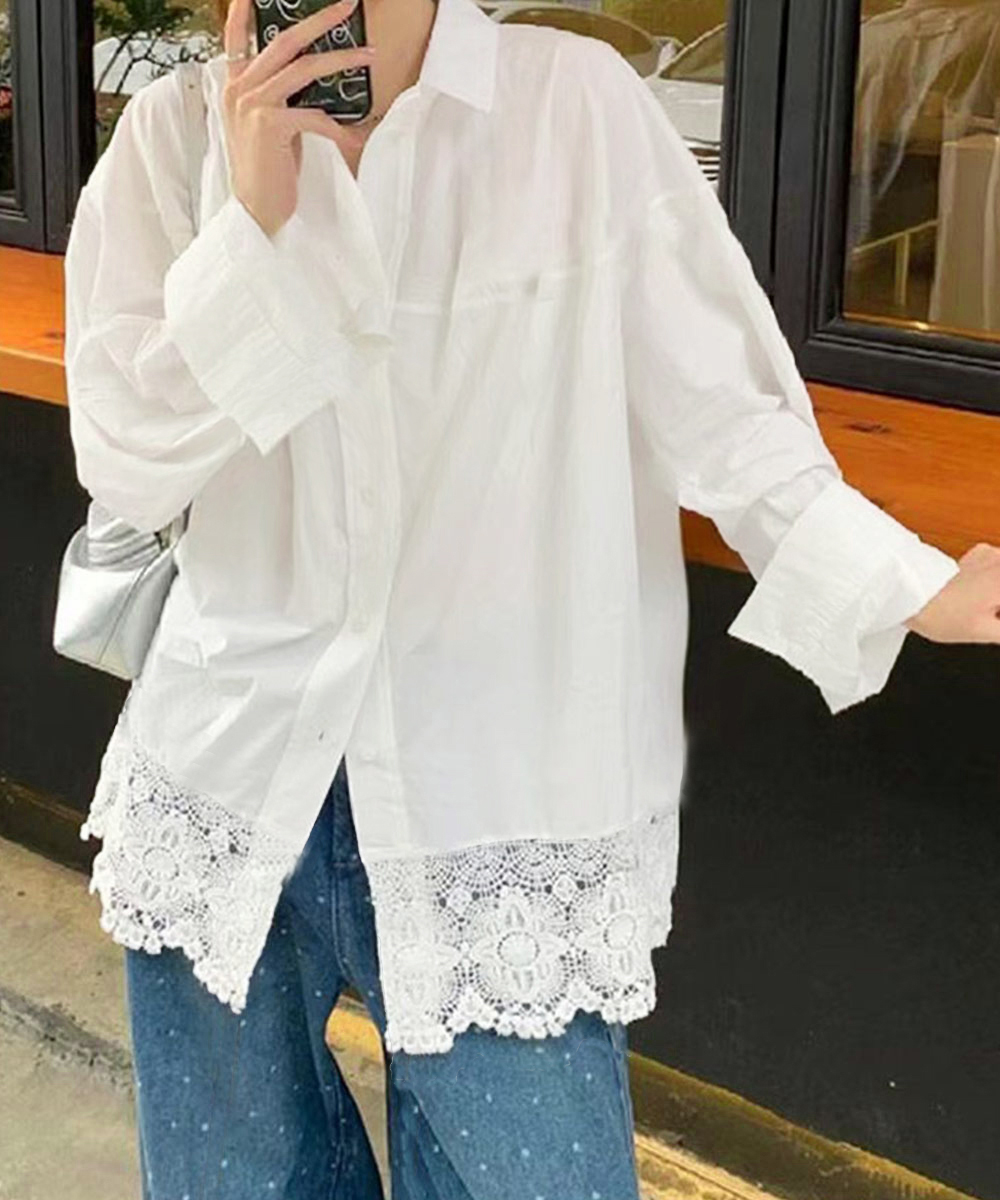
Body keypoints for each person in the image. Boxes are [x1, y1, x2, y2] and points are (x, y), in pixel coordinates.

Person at [62, 0, 1000, 1195]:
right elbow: (127, 458)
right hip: (225, 781)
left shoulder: (572, 109)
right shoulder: (171, 136)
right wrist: (253, 223)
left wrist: (904, 584)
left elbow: (721, 406)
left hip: (497, 815)